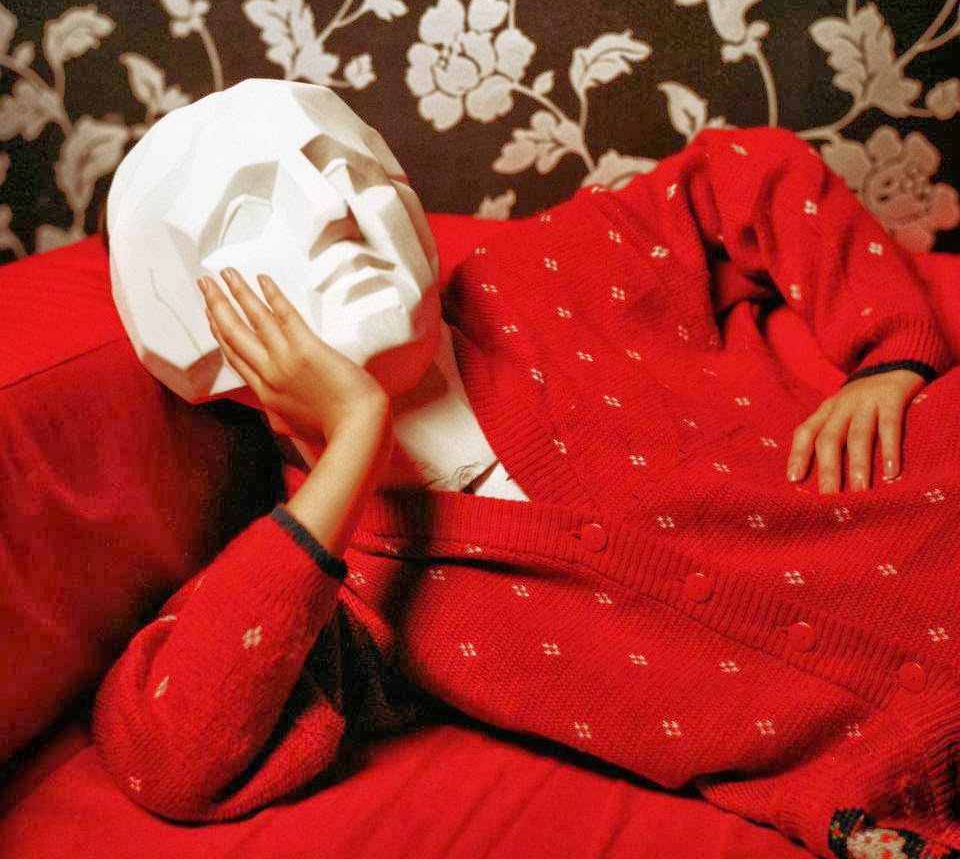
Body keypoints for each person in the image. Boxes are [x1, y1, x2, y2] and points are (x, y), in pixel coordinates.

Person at [94, 81, 960, 858]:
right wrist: (353, 435)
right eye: (251, 214)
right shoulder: (341, 591)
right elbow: (167, 755)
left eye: (350, 168)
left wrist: (889, 352)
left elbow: (744, 165)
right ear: (184, 334)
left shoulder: (546, 271)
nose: (333, 208)